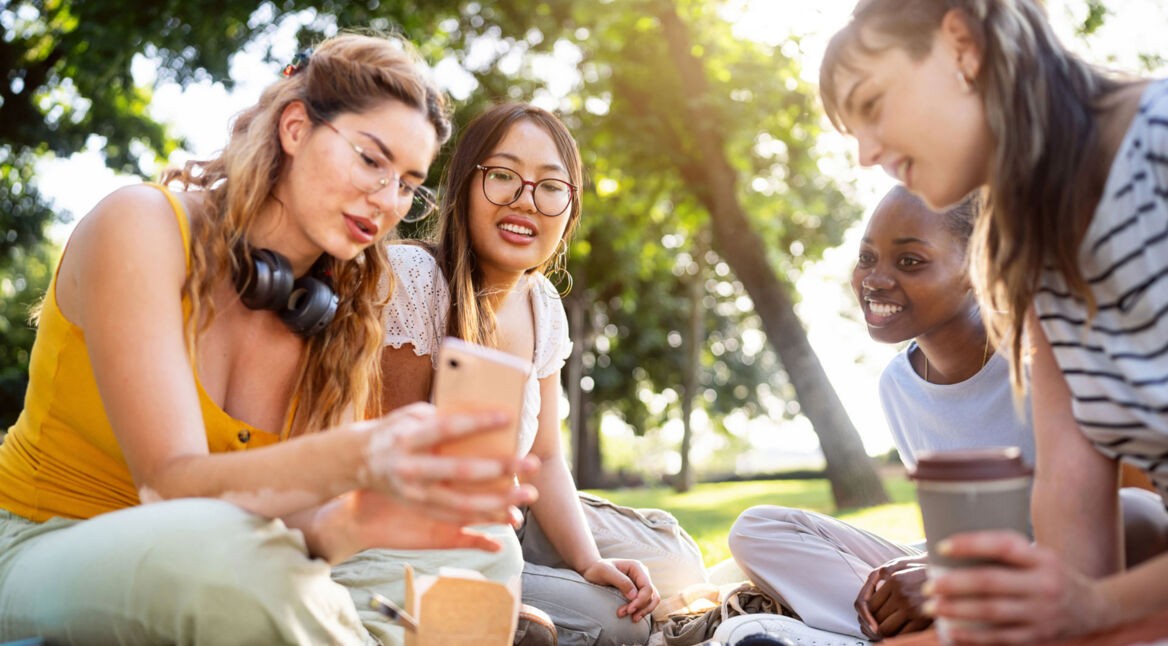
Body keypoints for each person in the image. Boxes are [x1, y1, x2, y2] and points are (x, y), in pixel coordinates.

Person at [0, 33, 541, 645]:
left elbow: (300, 530)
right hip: (45, 542)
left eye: (408, 184)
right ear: (295, 128)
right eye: (371, 160)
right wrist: (360, 453)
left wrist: (360, 520)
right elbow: (168, 485)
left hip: (224, 553)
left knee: (483, 546)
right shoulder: (142, 224)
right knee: (240, 563)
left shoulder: (339, 313)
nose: (387, 200)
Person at [819, 0, 1168, 642]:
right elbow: (1071, 520)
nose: (865, 153)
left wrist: (1096, 609)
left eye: (872, 104)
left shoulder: (1156, 146)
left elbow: (1088, 598)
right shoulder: (1044, 261)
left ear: (962, 46)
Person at [728, 187, 1167, 643]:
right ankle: (910, 631)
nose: (875, 279)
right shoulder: (897, 386)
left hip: (1073, 584)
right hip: (968, 584)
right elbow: (952, 537)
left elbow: (1143, 517)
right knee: (757, 530)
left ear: (979, 268)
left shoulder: (1050, 359)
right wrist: (933, 573)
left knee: (1134, 511)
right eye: (866, 258)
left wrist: (957, 577)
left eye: (910, 261)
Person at [381, 103, 686, 645]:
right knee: (619, 623)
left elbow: (543, 457)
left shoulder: (543, 304)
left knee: (675, 562)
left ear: (570, 208)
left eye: (550, 186)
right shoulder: (415, 279)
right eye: (503, 175)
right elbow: (385, 459)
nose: (525, 200)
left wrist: (589, 561)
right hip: (423, 537)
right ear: (464, 185)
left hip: (515, 513)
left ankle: (554, 581)